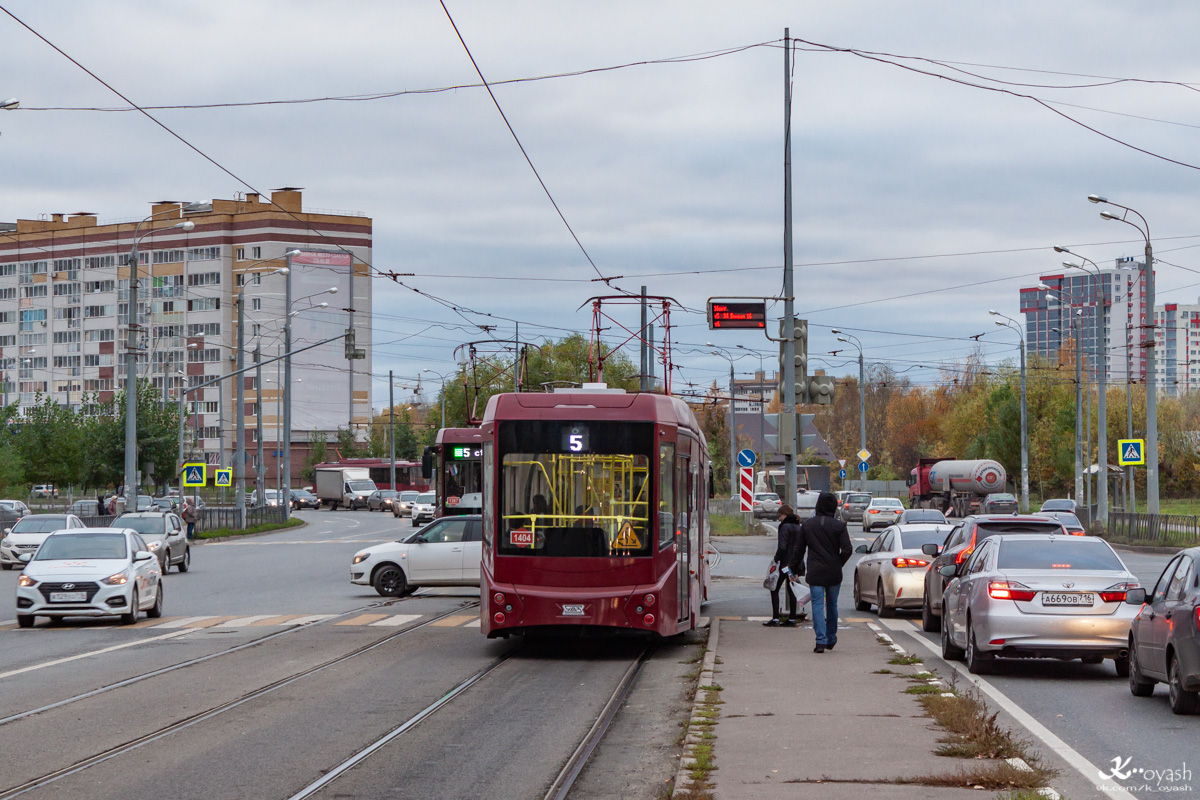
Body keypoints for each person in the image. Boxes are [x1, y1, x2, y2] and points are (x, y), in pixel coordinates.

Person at [790, 492, 852, 653]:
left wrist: (793, 567)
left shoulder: (808, 525)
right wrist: (838, 563)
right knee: (832, 604)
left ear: (818, 505)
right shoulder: (839, 526)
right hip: (833, 571)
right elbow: (847, 550)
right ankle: (831, 638)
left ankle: (820, 641)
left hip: (815, 571)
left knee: (817, 604)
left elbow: (799, 550)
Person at [764, 504, 802, 627]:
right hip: (796, 564)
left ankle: (775, 618)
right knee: (792, 590)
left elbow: (782, 547)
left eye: (780, 516)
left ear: (785, 514)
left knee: (774, 588)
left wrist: (776, 559)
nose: (779, 518)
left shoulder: (784, 527)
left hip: (784, 564)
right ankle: (792, 618)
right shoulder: (798, 526)